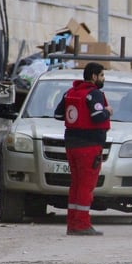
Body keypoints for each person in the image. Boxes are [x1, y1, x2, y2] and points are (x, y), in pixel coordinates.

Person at [53, 62, 113, 236]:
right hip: (90, 146)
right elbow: (98, 116)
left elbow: (58, 115)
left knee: (76, 185)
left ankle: (72, 223)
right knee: (86, 186)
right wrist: (108, 110)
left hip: (71, 144)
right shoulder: (94, 94)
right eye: (101, 75)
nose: (103, 79)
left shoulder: (70, 93)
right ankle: (82, 224)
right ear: (93, 76)